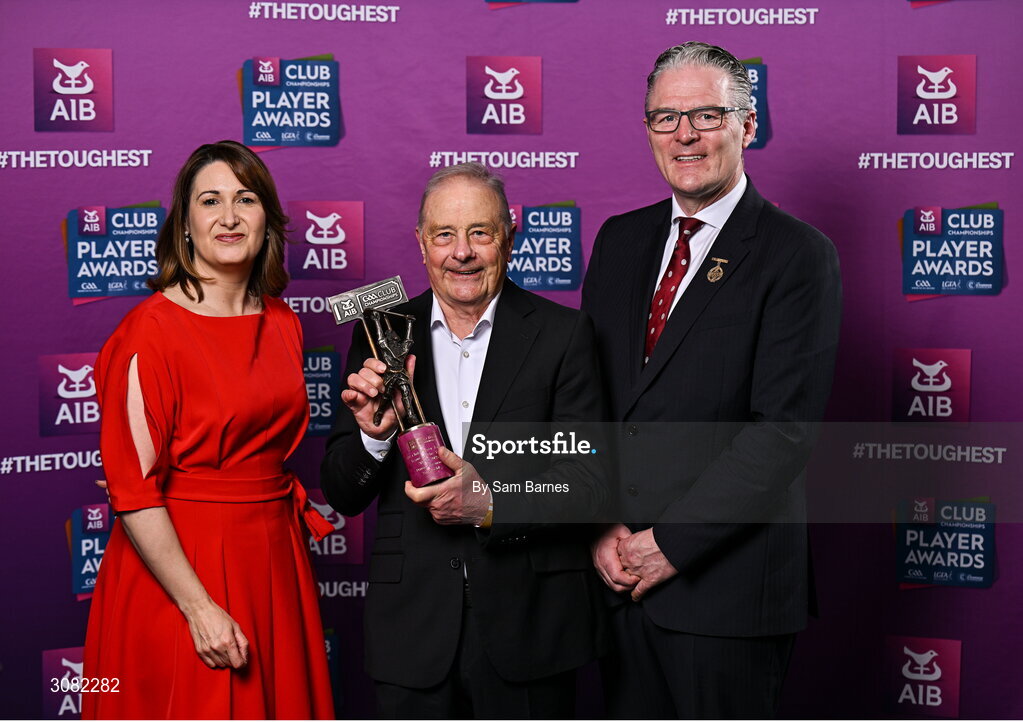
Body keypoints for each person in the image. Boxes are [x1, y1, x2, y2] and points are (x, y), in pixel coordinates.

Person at [581, 42, 842, 718]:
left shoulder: (796, 255)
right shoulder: (618, 241)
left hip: (727, 594)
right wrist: (599, 522)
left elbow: (781, 432)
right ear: (647, 131)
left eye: (705, 114)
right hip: (617, 585)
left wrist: (668, 544)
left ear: (747, 125)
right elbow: (590, 401)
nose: (684, 135)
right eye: (665, 118)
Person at [320, 163, 607, 719]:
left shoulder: (564, 335)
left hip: (531, 631)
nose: (462, 253)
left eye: (481, 232)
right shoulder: (380, 334)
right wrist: (374, 440)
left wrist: (493, 503)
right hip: (412, 633)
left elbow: (589, 483)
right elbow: (341, 490)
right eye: (444, 235)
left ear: (510, 235)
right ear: (421, 242)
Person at [82, 140, 335, 719]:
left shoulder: (282, 320)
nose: (229, 216)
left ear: (267, 220)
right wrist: (199, 608)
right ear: (186, 225)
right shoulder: (149, 331)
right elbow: (136, 490)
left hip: (274, 555)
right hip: (183, 569)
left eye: (245, 199)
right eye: (210, 200)